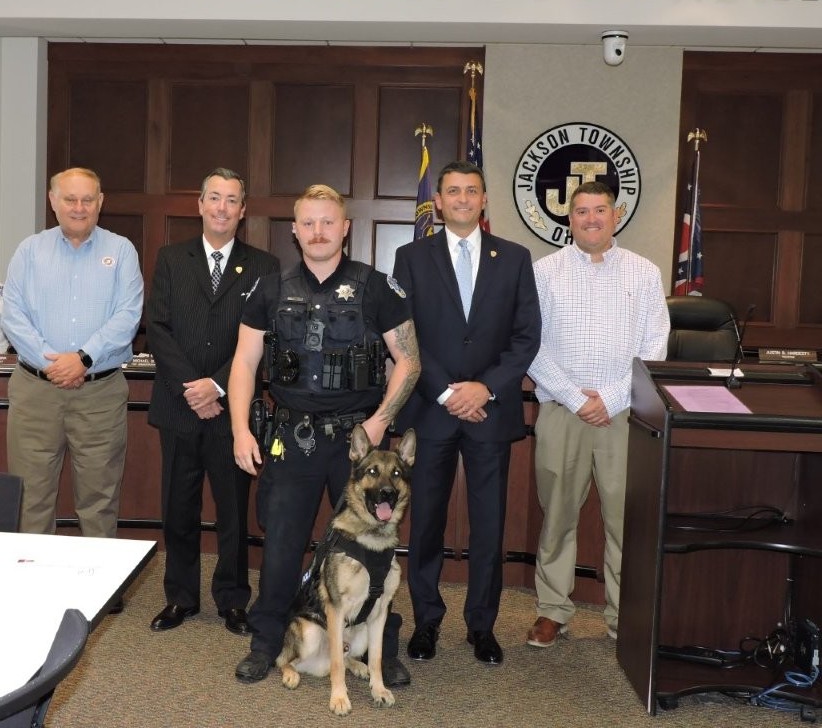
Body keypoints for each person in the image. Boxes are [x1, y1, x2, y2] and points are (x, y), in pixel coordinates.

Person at [229, 184, 421, 686]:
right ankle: (266, 643)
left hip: (358, 444)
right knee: (281, 546)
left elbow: (409, 361)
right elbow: (244, 362)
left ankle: (383, 648)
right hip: (292, 438)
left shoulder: (376, 287)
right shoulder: (269, 289)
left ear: (345, 228)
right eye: (309, 223)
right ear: (295, 231)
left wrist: (378, 422)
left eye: (328, 222)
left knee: (373, 546)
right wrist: (240, 430)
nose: (318, 231)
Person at [392, 160, 540, 666]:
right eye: (452, 191)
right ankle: (426, 622)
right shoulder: (411, 257)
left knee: (488, 525)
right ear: (437, 201)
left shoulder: (515, 258)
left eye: (471, 191)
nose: (461, 199)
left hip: (490, 411)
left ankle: (482, 625)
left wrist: (485, 389)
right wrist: (445, 392)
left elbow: (526, 336)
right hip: (431, 410)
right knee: (425, 524)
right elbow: (404, 335)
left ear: (484, 199)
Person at [525, 180, 670, 647]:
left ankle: (623, 616)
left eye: (600, 210)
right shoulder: (544, 272)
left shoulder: (644, 272)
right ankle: (552, 610)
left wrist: (608, 399)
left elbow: (655, 347)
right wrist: (576, 398)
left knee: (625, 520)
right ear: (569, 218)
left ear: (616, 214)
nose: (591, 219)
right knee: (556, 516)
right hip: (561, 410)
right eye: (582, 211)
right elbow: (530, 345)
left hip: (624, 415)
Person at [146, 167, 279, 636]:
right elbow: (157, 327)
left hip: (232, 410)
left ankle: (233, 599)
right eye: (214, 198)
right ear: (200, 205)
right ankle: (180, 598)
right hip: (178, 405)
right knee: (178, 508)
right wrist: (193, 387)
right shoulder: (171, 258)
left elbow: (263, 338)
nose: (222, 207)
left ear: (242, 210)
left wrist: (218, 386)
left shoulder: (264, 266)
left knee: (233, 512)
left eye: (232, 200)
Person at [1, 168, 143, 549]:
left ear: (100, 202)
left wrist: (83, 358)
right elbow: (12, 314)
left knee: (99, 505)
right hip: (36, 394)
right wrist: (55, 364)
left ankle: (99, 584)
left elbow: (128, 316)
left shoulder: (122, 251)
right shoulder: (29, 251)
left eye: (87, 199)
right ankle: (33, 582)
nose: (79, 207)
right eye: (70, 199)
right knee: (30, 503)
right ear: (53, 201)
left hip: (100, 396)